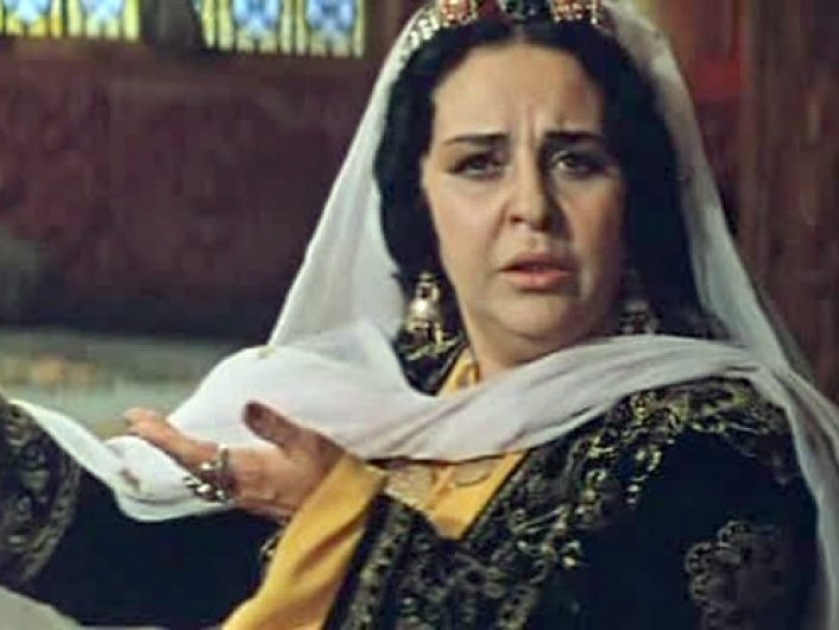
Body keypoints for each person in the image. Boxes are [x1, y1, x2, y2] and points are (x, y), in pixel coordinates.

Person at [1, 0, 838, 628]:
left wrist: (343, 522)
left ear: (637, 198)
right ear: (418, 205)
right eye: (479, 164)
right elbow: (144, 559)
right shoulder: (378, 394)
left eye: (576, 161)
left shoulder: (723, 443)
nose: (531, 207)